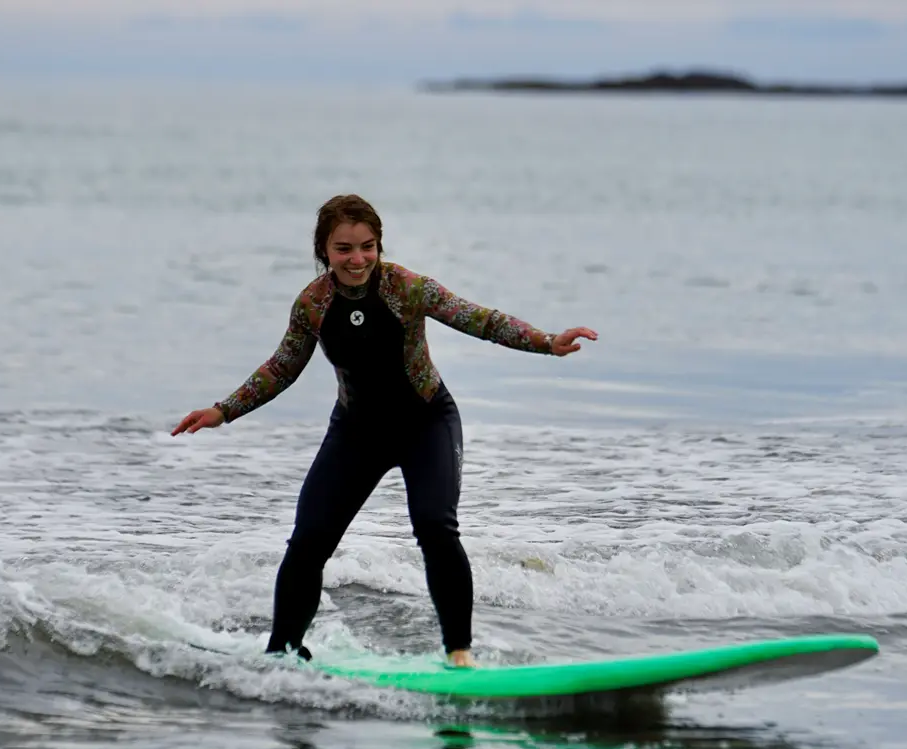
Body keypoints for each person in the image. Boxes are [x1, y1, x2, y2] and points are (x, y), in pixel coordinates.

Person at [171, 194, 597, 668]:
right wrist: (222, 411)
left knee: (436, 526)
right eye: (344, 249)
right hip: (356, 432)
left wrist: (545, 342)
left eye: (367, 246)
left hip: (426, 422)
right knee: (309, 539)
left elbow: (478, 319)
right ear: (324, 251)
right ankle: (283, 654)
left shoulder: (407, 288)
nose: (358, 259)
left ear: (379, 245)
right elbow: (282, 367)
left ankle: (459, 653)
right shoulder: (313, 304)